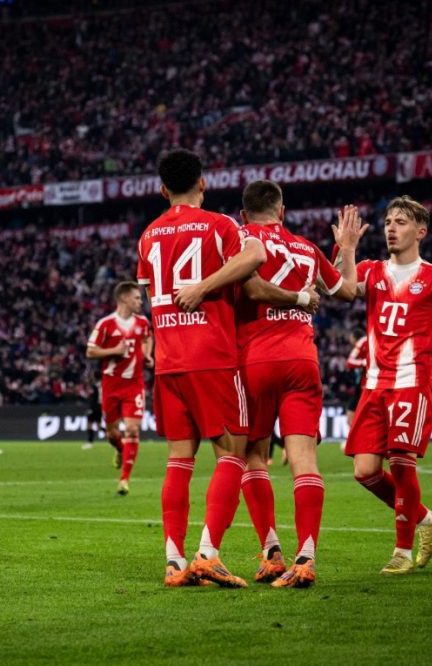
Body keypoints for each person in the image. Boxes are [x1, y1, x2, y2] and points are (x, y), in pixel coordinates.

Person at [136, 148, 268, 588]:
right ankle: (208, 553)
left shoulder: (148, 235)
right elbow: (255, 258)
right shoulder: (220, 224)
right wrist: (205, 287)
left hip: (168, 361)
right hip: (212, 356)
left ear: (161, 189)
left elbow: (148, 292)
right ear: (203, 183)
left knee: (179, 459)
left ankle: (173, 561)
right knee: (232, 452)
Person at [234, 180, 364, 588]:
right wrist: (346, 247)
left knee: (253, 456)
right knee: (304, 460)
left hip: (253, 359)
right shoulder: (307, 247)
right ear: (283, 212)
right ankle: (306, 557)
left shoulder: (238, 239)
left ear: (243, 214)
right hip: (302, 362)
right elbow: (346, 292)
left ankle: (272, 553)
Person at [340, 195, 432, 575]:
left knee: (401, 463)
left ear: (420, 231)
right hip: (373, 384)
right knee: (364, 472)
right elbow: (334, 282)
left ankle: (401, 552)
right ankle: (427, 519)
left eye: (400, 222)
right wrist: (345, 248)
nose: (391, 229)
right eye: (387, 223)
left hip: (412, 382)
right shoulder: (369, 270)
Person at [86, 282, 153, 495]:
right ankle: (119, 449)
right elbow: (90, 351)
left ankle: (124, 479)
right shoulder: (105, 324)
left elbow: (147, 337)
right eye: (136, 298)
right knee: (112, 433)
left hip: (134, 384)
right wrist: (114, 350)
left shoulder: (143, 323)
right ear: (123, 299)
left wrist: (147, 354)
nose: (140, 302)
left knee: (132, 429)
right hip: (111, 384)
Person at [345, 328, 368, 428]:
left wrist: (364, 363)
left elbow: (349, 362)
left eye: (351, 337)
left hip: (366, 386)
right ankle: (353, 441)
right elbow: (350, 363)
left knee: (362, 418)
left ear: (354, 338)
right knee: (350, 419)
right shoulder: (364, 344)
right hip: (359, 387)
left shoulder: (363, 341)